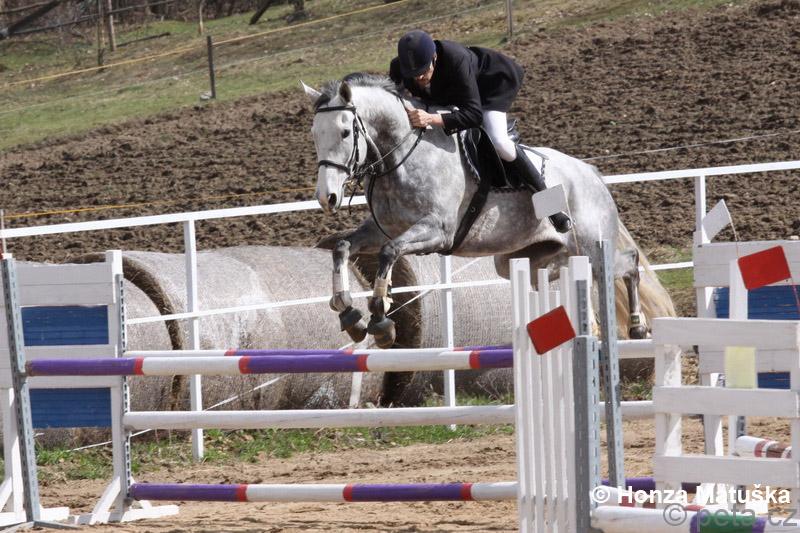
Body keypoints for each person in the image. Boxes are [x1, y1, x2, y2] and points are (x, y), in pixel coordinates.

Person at [389, 30, 572, 233]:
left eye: (424, 71)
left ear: (434, 57)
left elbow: (474, 114)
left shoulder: (456, 59)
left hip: (491, 85)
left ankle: (553, 208)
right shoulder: (400, 68)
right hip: (455, 93)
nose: (419, 77)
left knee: (499, 141)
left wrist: (431, 119)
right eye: (413, 74)